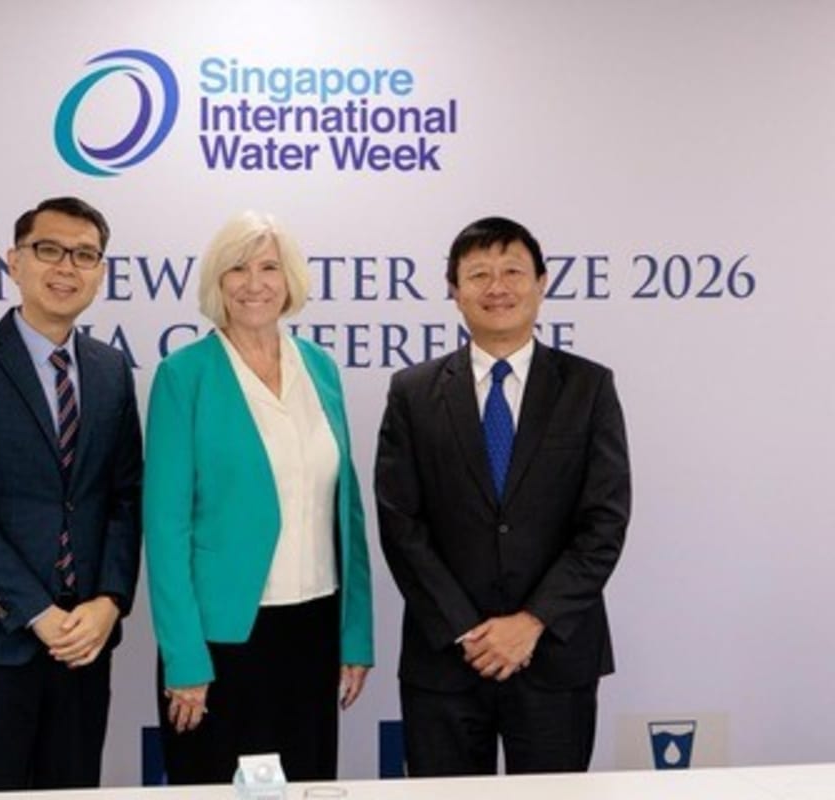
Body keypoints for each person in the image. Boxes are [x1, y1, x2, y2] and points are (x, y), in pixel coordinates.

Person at [375, 216, 630, 776]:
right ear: (453, 290)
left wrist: (532, 622)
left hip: (555, 658)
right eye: (479, 274)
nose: (498, 287)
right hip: (445, 660)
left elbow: (604, 523)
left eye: (513, 271)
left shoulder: (589, 388)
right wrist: (468, 630)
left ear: (542, 282)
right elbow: (401, 523)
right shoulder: (413, 393)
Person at [0, 197, 142, 792]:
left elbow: (125, 497)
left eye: (85, 255)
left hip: (83, 645)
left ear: (100, 272)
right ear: (14, 262)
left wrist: (110, 601)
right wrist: (38, 613)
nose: (66, 267)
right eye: (49, 250)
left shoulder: (111, 370)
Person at [143, 211, 374, 784]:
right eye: (237, 268)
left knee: (307, 785)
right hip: (222, 641)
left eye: (269, 267)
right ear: (216, 283)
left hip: (315, 630)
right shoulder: (184, 375)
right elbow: (164, 528)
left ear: (290, 279)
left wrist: (355, 634)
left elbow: (346, 511)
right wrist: (185, 659)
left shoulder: (320, 368)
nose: (254, 283)